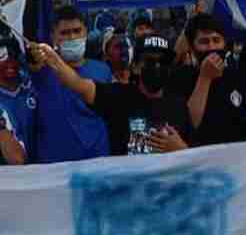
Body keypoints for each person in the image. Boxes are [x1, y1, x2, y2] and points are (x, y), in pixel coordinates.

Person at [29, 35, 191, 156]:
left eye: (163, 62)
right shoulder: (118, 97)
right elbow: (79, 84)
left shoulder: (179, 105)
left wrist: (181, 149)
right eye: (149, 61)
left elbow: (201, 156)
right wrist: (53, 59)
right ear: (135, 67)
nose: (157, 66)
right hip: (125, 195)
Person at [25, 5, 112, 162]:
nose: (72, 37)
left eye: (77, 31)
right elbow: (29, 35)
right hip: (54, 169)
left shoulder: (103, 70)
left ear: (86, 32)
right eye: (64, 33)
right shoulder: (42, 69)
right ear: (53, 37)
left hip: (97, 165)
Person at [172, 14, 246, 147]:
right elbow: (189, 125)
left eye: (216, 40)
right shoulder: (181, 77)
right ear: (192, 47)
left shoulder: (239, 77)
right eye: (204, 42)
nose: (212, 47)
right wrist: (204, 78)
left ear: (224, 43)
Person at [0, 37, 36, 155]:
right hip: (13, 169)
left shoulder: (34, 87)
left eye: (13, 57)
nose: (9, 64)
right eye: (2, 59)